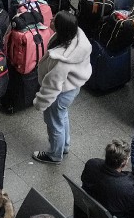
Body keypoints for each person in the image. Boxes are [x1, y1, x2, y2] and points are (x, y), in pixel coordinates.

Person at [34, 10, 92, 164]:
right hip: (71, 88)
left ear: (61, 28)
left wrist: (40, 103)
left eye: (54, 21)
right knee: (62, 116)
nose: (51, 20)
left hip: (60, 93)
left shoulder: (61, 61)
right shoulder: (77, 37)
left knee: (54, 124)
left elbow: (52, 86)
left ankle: (54, 155)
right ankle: (64, 146)